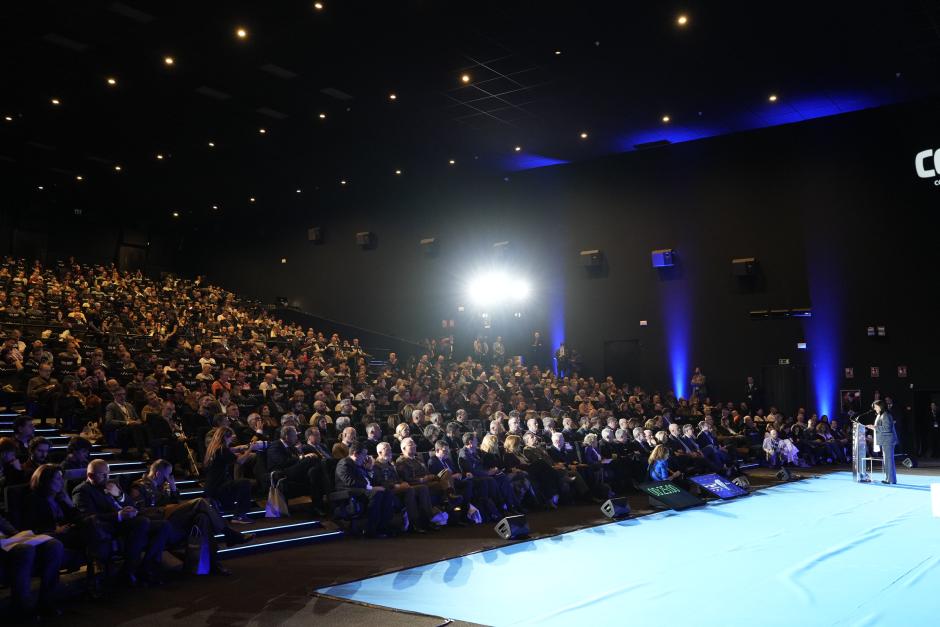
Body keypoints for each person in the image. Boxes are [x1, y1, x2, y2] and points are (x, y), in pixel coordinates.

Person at [128, 459, 252, 575]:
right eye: (168, 475)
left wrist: (173, 488)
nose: (169, 479)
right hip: (160, 523)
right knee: (200, 502)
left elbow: (176, 502)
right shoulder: (139, 486)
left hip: (173, 519)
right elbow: (138, 512)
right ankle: (228, 533)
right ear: (157, 474)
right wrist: (163, 509)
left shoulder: (163, 487)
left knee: (203, 517)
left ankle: (212, 562)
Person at [72, 459, 170, 586]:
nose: (107, 477)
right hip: (108, 526)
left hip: (125, 522)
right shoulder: (82, 491)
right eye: (103, 475)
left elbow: (130, 503)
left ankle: (147, 568)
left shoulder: (110, 484)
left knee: (164, 525)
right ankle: (129, 571)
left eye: (108, 474)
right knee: (142, 522)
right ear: (90, 476)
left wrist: (119, 495)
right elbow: (88, 517)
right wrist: (119, 515)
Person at [0, 512, 64, 620]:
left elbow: (3, 523)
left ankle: (46, 602)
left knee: (54, 545)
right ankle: (21, 608)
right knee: (25, 549)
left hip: (7, 540)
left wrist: (19, 535)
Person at [334, 442, 396, 537]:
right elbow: (350, 482)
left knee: (387, 492)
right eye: (364, 454)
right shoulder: (344, 463)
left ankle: (383, 527)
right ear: (355, 453)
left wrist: (370, 469)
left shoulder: (360, 465)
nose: (366, 457)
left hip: (363, 490)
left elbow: (369, 481)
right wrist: (371, 488)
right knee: (376, 493)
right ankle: (370, 529)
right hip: (350, 491)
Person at [266, 425, 326, 517]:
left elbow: (297, 460)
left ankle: (317, 506)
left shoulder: (292, 447)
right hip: (283, 473)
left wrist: (300, 456)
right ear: (286, 436)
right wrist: (302, 457)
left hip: (295, 471)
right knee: (311, 459)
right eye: (294, 435)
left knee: (314, 473)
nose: (297, 438)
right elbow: (282, 462)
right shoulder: (275, 445)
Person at [203, 427, 257, 523]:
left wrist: (242, 448)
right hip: (218, 487)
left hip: (211, 487)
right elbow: (241, 461)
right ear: (225, 437)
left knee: (238, 485)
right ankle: (239, 516)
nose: (232, 438)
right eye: (231, 437)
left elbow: (232, 450)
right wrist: (250, 449)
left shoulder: (214, 448)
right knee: (245, 483)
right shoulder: (222, 449)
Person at [866, 400, 897, 484]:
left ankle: (890, 480)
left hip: (888, 440)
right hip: (885, 440)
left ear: (880, 406)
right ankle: (889, 479)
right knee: (887, 460)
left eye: (875, 406)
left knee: (888, 460)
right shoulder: (881, 414)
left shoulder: (886, 415)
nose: (874, 408)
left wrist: (874, 427)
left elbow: (887, 428)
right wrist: (874, 427)